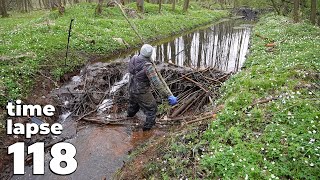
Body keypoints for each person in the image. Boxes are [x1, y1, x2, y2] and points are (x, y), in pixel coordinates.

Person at [127, 44, 178, 131]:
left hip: (131, 87)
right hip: (141, 91)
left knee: (133, 104)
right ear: (150, 54)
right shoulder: (148, 67)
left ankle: (129, 117)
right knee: (152, 109)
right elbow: (157, 83)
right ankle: (146, 130)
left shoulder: (134, 58)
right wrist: (168, 95)